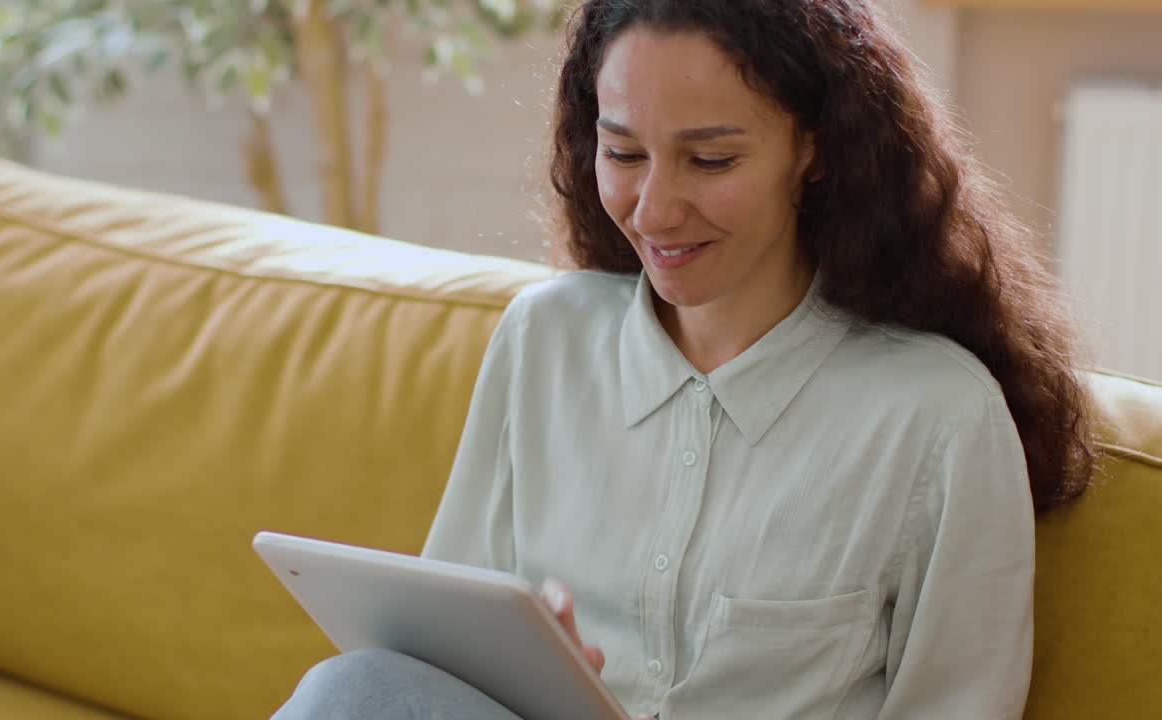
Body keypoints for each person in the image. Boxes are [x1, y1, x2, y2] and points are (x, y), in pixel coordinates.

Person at [272, 0, 1097, 717]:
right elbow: (426, 664)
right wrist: (530, 670)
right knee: (357, 687)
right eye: (624, 154)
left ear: (814, 150)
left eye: (711, 160)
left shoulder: (938, 416)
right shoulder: (543, 339)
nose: (655, 210)